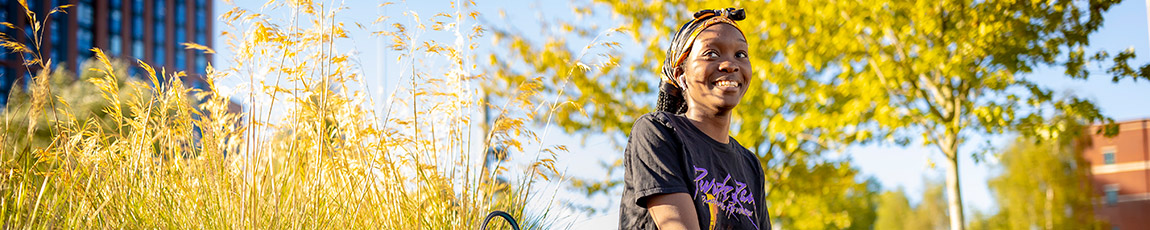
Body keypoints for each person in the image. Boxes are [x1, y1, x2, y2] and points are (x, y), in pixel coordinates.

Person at [618, 8, 770, 230]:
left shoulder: (750, 165)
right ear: (681, 75)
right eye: (711, 54)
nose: (730, 64)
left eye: (740, 54)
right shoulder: (657, 132)